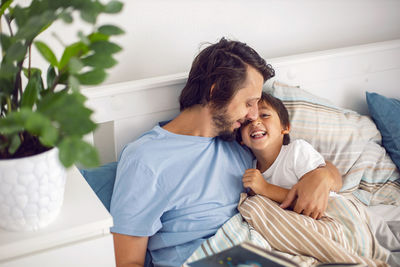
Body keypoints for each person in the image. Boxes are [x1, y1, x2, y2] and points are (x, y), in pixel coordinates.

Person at [110, 38, 342, 267]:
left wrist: (320, 176)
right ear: (216, 92)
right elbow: (128, 262)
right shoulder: (145, 160)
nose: (253, 115)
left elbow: (322, 171)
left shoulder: (240, 141)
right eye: (249, 103)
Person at [237, 92, 389, 265]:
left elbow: (312, 202)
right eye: (247, 121)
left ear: (285, 127)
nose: (256, 122)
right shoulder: (250, 169)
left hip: (330, 211)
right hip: (301, 222)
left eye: (264, 115)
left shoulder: (297, 151)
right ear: (241, 139)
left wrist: (265, 189)